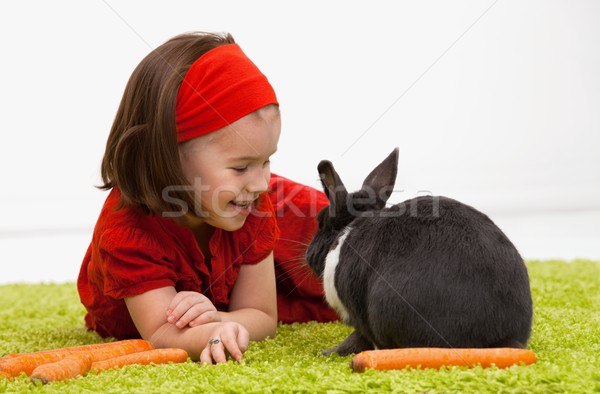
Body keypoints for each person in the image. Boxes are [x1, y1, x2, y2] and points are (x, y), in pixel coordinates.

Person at [77, 31, 338, 365]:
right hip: (197, 239)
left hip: (226, 212)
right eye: (241, 165)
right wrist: (213, 332)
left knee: (338, 227)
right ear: (166, 157)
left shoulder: (256, 198)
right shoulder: (129, 234)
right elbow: (160, 333)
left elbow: (261, 315)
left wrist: (219, 317)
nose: (261, 181)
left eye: (267, 160)